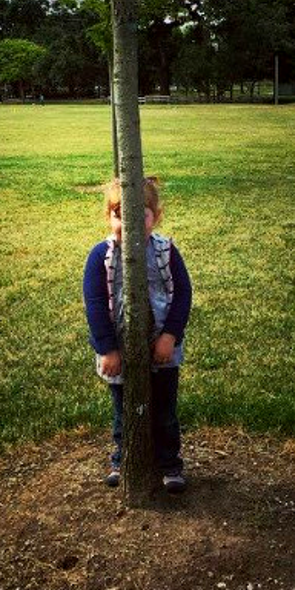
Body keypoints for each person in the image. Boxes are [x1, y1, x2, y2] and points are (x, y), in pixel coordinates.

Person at [83, 177, 192, 493]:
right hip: (121, 350)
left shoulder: (166, 252)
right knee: (124, 411)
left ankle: (169, 463)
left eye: (139, 214)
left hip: (162, 349)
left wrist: (170, 337)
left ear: (156, 216)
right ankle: (122, 458)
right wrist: (107, 349)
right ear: (109, 217)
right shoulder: (100, 257)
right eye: (119, 214)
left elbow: (183, 293)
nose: (127, 223)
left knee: (165, 412)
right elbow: (95, 304)